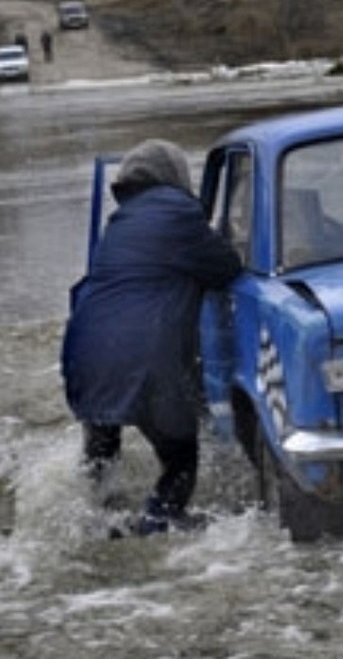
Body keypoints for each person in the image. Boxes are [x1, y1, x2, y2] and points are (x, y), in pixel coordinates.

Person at [61, 139, 242, 535]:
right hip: (143, 360)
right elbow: (228, 267)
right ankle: (157, 523)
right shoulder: (179, 214)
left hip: (85, 352)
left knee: (101, 451)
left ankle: (98, 520)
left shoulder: (120, 221)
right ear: (177, 177)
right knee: (180, 458)